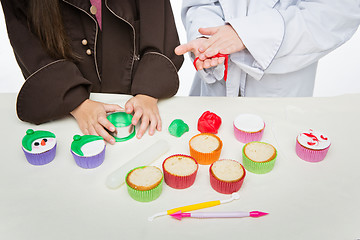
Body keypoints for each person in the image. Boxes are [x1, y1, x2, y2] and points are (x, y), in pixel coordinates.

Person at [1, 0, 183, 143]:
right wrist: (76, 101)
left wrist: (148, 91)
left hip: (137, 99)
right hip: (68, 113)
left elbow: (157, 17)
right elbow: (28, 41)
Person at [175, 0, 360, 97]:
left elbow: (333, 14)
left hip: (280, 91)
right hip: (216, 85)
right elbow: (202, 3)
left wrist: (246, 34)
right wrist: (208, 38)